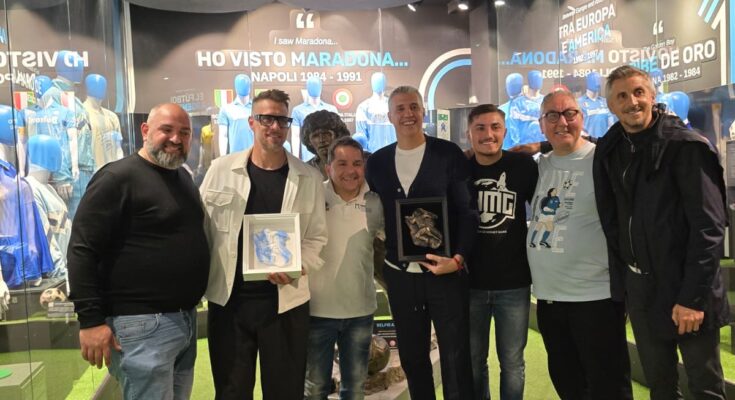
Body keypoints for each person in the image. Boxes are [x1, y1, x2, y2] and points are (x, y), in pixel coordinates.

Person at [594, 65, 729, 400]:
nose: (632, 102)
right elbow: (614, 220)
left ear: (652, 96)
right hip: (642, 289)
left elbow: (709, 228)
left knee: (705, 388)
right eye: (622, 96)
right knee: (661, 386)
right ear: (611, 105)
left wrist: (691, 299)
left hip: (687, 288)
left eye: (639, 92)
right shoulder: (611, 149)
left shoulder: (686, 147)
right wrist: (625, 289)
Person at [67, 103, 210, 399]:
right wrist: (90, 321)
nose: (176, 139)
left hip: (183, 320)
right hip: (141, 325)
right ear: (145, 131)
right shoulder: (117, 178)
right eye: (166, 130)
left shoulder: (182, 178)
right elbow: (82, 250)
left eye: (184, 133)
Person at [200, 89, 328, 399]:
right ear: (251, 122)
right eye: (267, 119)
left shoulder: (308, 177)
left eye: (282, 120)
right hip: (230, 303)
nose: (275, 127)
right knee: (231, 392)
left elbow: (317, 237)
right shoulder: (221, 170)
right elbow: (202, 230)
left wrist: (298, 265)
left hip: (286, 303)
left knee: (285, 392)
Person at [365, 85, 477, 400]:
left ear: (423, 111)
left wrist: (457, 259)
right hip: (400, 277)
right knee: (413, 358)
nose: (408, 114)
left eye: (413, 107)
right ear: (390, 116)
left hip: (445, 273)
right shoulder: (378, 163)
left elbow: (468, 212)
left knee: (455, 358)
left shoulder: (448, 154)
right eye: (400, 108)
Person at [527, 90, 632, 400]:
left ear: (581, 117)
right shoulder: (539, 165)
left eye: (569, 113)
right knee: (568, 383)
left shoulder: (603, 161)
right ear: (541, 124)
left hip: (595, 298)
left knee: (607, 386)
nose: (562, 122)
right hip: (549, 298)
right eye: (552, 115)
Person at [465, 104, 537, 400]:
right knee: (473, 363)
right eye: (480, 128)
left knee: (513, 363)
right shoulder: (459, 169)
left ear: (505, 131)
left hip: (514, 283)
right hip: (470, 284)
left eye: (495, 127)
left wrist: (540, 145)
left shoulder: (523, 166)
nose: (488, 134)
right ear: (468, 133)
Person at [304, 136, 384, 400]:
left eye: (357, 164)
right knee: (315, 389)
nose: (351, 171)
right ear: (328, 168)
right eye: (342, 164)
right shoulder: (312, 197)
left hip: (360, 311)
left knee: (355, 388)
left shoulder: (375, 202)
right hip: (317, 312)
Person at [301, 110, 350, 180]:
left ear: (338, 135)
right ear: (309, 141)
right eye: (315, 136)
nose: (321, 140)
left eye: (326, 134)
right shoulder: (305, 170)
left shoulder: (357, 163)